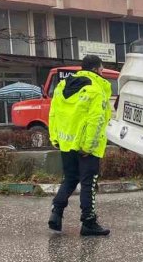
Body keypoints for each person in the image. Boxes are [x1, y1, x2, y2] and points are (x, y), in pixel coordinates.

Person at [47, 55, 112, 236]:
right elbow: (96, 121)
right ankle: (88, 222)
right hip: (86, 146)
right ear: (97, 70)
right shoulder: (95, 90)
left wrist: (55, 138)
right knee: (88, 183)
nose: (102, 72)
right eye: (101, 69)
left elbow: (53, 113)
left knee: (70, 178)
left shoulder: (62, 86)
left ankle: (56, 213)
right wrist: (89, 146)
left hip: (66, 142)